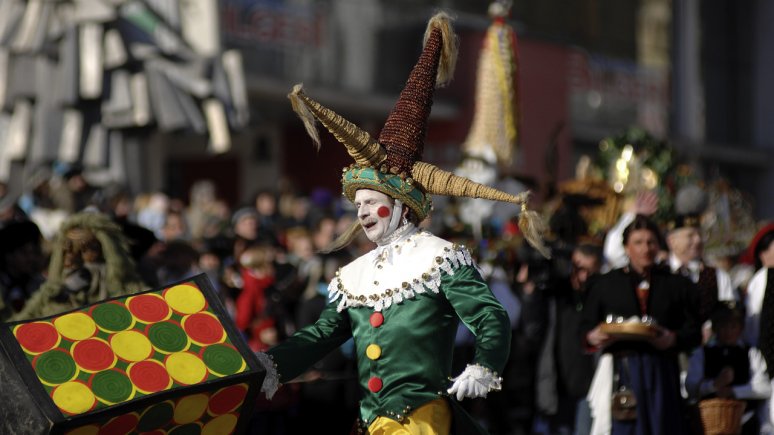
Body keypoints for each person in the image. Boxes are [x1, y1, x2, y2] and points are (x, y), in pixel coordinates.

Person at [255, 12, 548, 434]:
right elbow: (321, 334)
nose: (361, 213)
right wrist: (271, 365)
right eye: (358, 205)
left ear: (401, 207)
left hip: (424, 422)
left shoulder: (439, 259)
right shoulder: (353, 276)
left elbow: (489, 316)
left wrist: (484, 364)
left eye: (371, 202)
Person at [582, 214, 701, 435]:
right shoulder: (606, 285)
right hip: (623, 370)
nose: (645, 248)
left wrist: (673, 338)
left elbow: (694, 331)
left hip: (662, 369)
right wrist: (594, 336)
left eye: (650, 242)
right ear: (627, 247)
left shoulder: (676, 285)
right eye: (638, 242)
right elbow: (585, 329)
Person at [12, 212, 148, 320]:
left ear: (105, 251)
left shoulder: (131, 293)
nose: (72, 259)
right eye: (68, 250)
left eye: (85, 250)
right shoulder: (51, 296)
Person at [535, 243, 603, 435]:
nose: (584, 277)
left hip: (591, 390)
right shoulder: (557, 297)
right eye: (579, 269)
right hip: (557, 390)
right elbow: (532, 326)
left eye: (591, 271)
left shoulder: (601, 297)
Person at [685, 302, 771, 435]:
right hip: (710, 422)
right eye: (723, 326)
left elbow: (764, 388)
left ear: (740, 328)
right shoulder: (702, 354)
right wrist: (714, 385)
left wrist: (733, 391)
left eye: (733, 326)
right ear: (715, 328)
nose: (728, 332)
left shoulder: (751, 353)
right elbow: (691, 388)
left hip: (744, 422)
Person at [0, 220, 46, 321]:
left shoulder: (39, 283)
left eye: (32, 252)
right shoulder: (2, 286)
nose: (30, 258)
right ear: (8, 255)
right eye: (23, 253)